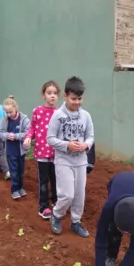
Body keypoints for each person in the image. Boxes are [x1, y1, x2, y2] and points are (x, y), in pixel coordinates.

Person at [47, 76, 95, 238]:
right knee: (67, 194)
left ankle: (76, 222)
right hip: (63, 161)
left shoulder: (86, 116)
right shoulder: (58, 115)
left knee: (79, 195)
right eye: (73, 98)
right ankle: (57, 215)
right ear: (65, 96)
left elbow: (91, 137)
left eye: (80, 98)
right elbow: (50, 139)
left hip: (81, 161)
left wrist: (86, 145)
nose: (77, 102)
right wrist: (67, 145)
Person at [23, 80, 60, 219]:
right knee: (43, 181)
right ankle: (43, 206)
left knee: (56, 179)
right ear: (43, 95)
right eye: (49, 93)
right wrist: (28, 137)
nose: (52, 96)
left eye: (55, 93)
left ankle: (56, 201)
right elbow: (32, 128)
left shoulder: (60, 113)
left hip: (57, 154)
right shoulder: (37, 111)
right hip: (42, 153)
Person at [0, 96, 31, 199]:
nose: (8, 114)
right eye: (6, 112)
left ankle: (20, 188)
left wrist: (16, 136)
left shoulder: (24, 119)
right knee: (13, 171)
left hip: (21, 150)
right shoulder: (4, 120)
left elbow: (28, 133)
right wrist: (7, 135)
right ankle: (14, 190)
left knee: (20, 170)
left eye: (10, 112)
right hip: (10, 150)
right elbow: (1, 133)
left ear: (16, 108)